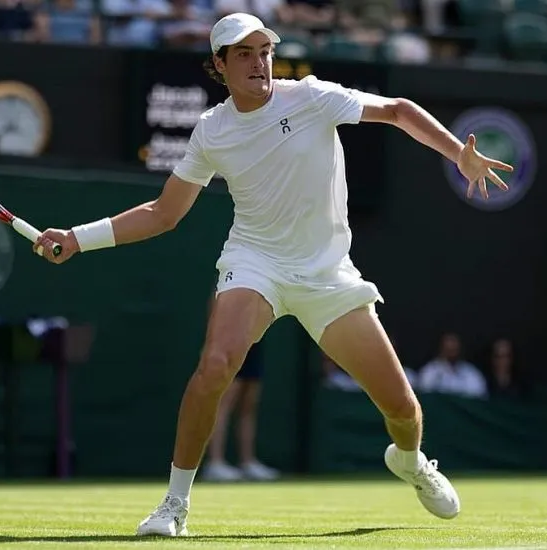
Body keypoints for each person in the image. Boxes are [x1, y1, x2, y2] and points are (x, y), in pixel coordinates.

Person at [32, 12, 512, 537]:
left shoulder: (310, 96)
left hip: (329, 273)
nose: (259, 62)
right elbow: (164, 214)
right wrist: (79, 237)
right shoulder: (212, 130)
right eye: (244, 53)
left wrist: (456, 155)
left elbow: (397, 111)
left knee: (403, 410)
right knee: (215, 365)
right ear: (220, 65)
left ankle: (413, 462)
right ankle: (174, 504)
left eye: (264, 51)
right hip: (255, 261)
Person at [201, 297, 280, 482]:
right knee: (224, 404)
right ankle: (215, 463)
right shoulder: (228, 279)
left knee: (249, 404)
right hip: (229, 342)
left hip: (253, 342)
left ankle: (248, 462)